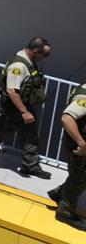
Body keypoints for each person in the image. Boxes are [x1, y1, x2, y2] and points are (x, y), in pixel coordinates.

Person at [0, 37, 53, 178]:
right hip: (12, 109)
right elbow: (12, 91)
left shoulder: (28, 62)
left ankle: (30, 166)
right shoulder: (18, 66)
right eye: (45, 54)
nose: (45, 58)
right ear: (36, 51)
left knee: (30, 136)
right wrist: (24, 111)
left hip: (22, 107)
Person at [50, 80, 86, 228]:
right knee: (80, 177)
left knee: (77, 174)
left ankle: (58, 193)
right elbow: (67, 118)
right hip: (80, 146)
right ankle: (65, 212)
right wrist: (82, 143)